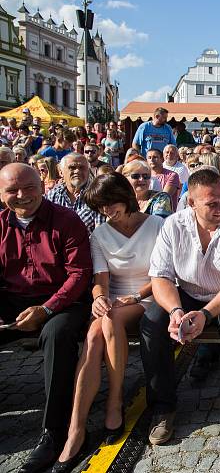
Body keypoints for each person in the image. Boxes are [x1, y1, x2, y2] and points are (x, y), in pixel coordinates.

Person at [140, 169, 220, 445]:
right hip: (189, 291)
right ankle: (162, 406)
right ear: (191, 203)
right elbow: (160, 277)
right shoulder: (173, 225)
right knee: (152, 322)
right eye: (212, 203)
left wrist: (206, 314)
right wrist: (175, 311)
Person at [53, 174, 164, 470]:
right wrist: (98, 297)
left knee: (109, 320)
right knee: (93, 338)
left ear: (125, 195)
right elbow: (101, 280)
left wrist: (134, 297)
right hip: (115, 300)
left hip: (148, 294)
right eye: (100, 207)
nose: (106, 211)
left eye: (110, 203)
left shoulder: (157, 225)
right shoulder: (100, 234)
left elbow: (163, 275)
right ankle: (76, 428)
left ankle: (114, 400)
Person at [0, 163, 92, 473]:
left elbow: (79, 273)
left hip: (63, 302)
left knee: (57, 335)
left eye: (28, 187)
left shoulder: (67, 221)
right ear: (2, 194)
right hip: (13, 300)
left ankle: (54, 431)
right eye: (12, 190)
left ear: (42, 185)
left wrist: (47, 309)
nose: (22, 196)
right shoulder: (0, 223)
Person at [46, 153, 105, 233]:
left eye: (82, 167)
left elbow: (100, 233)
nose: (77, 171)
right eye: (72, 167)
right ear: (61, 173)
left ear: (88, 171)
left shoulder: (98, 195)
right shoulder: (52, 195)